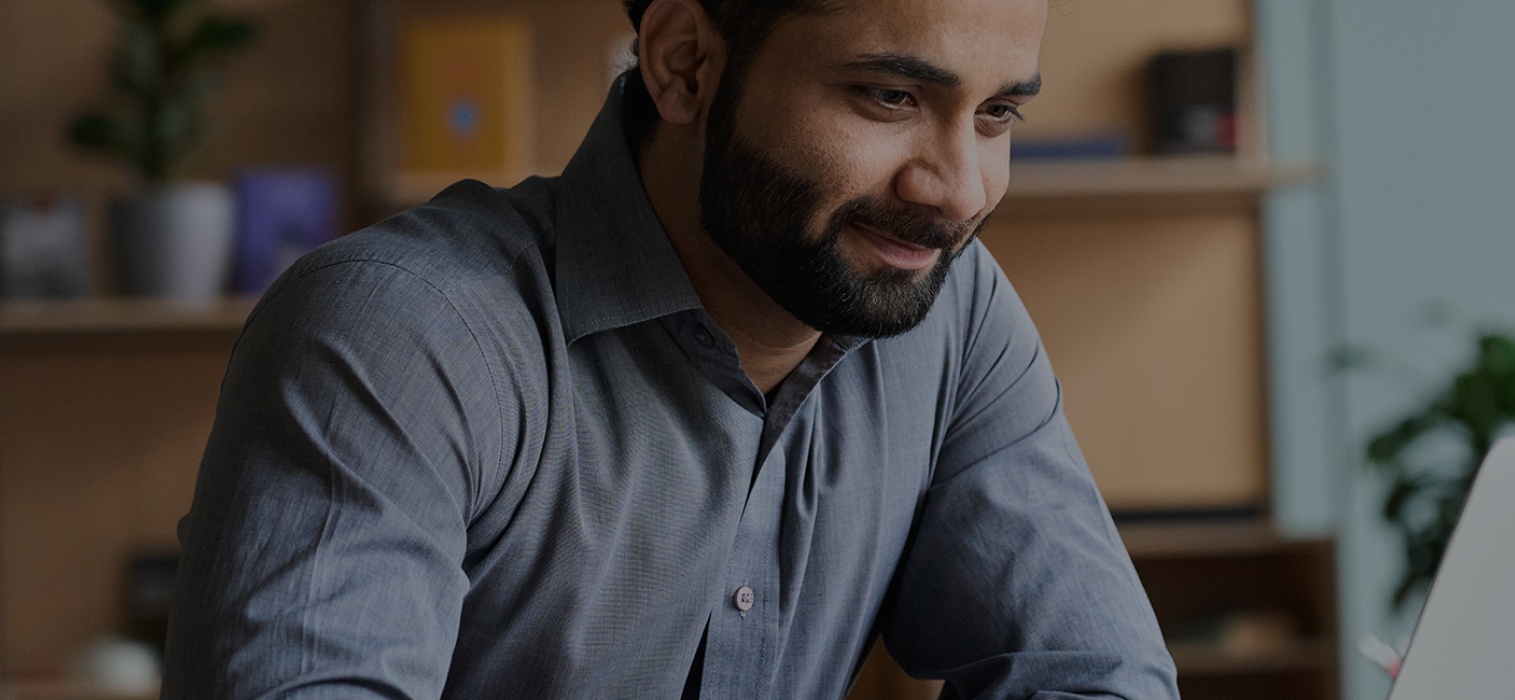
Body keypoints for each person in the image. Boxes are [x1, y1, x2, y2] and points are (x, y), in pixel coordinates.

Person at [162, 0, 1178, 696]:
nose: (957, 190)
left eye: (997, 113)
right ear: (684, 62)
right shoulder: (407, 333)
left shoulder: (949, 317)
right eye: (890, 97)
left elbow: (1097, 675)